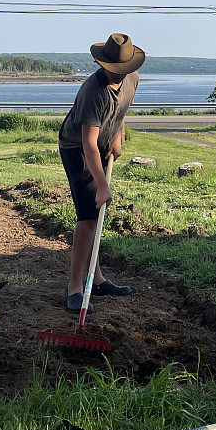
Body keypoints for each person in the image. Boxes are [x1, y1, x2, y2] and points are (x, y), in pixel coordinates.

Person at [58, 33, 145, 312]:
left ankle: (97, 280)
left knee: (95, 217)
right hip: (77, 148)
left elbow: (120, 110)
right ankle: (74, 287)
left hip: (102, 143)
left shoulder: (132, 79)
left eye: (122, 70)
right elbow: (87, 144)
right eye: (112, 69)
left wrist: (118, 135)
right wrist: (101, 186)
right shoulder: (91, 91)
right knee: (88, 216)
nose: (117, 74)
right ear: (102, 63)